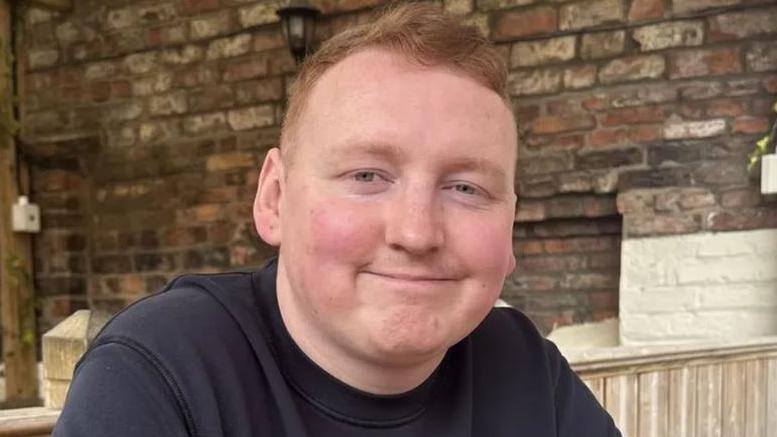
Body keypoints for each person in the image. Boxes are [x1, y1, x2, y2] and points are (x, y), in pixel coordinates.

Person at [54, 3, 621, 436]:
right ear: (275, 198)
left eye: (466, 188)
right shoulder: (164, 371)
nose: (416, 232)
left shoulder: (520, 365)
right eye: (367, 176)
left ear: (511, 226)